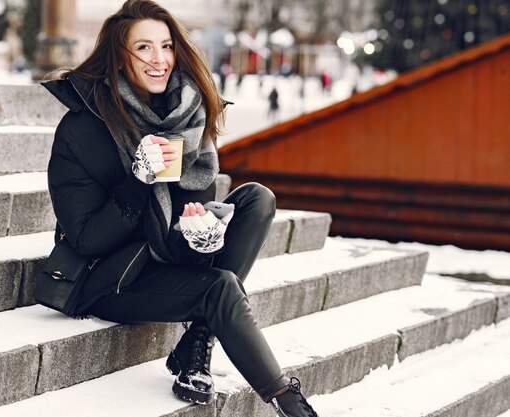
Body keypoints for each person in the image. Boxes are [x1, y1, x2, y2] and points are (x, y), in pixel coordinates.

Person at [41, 1, 318, 416]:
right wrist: (138, 182)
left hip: (168, 256)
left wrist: (204, 233)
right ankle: (290, 405)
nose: (159, 60)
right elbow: (85, 238)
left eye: (166, 46)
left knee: (257, 197)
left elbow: (191, 212)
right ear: (120, 56)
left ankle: (197, 340)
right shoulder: (83, 128)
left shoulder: (185, 118)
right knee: (219, 287)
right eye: (144, 48)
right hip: (110, 276)